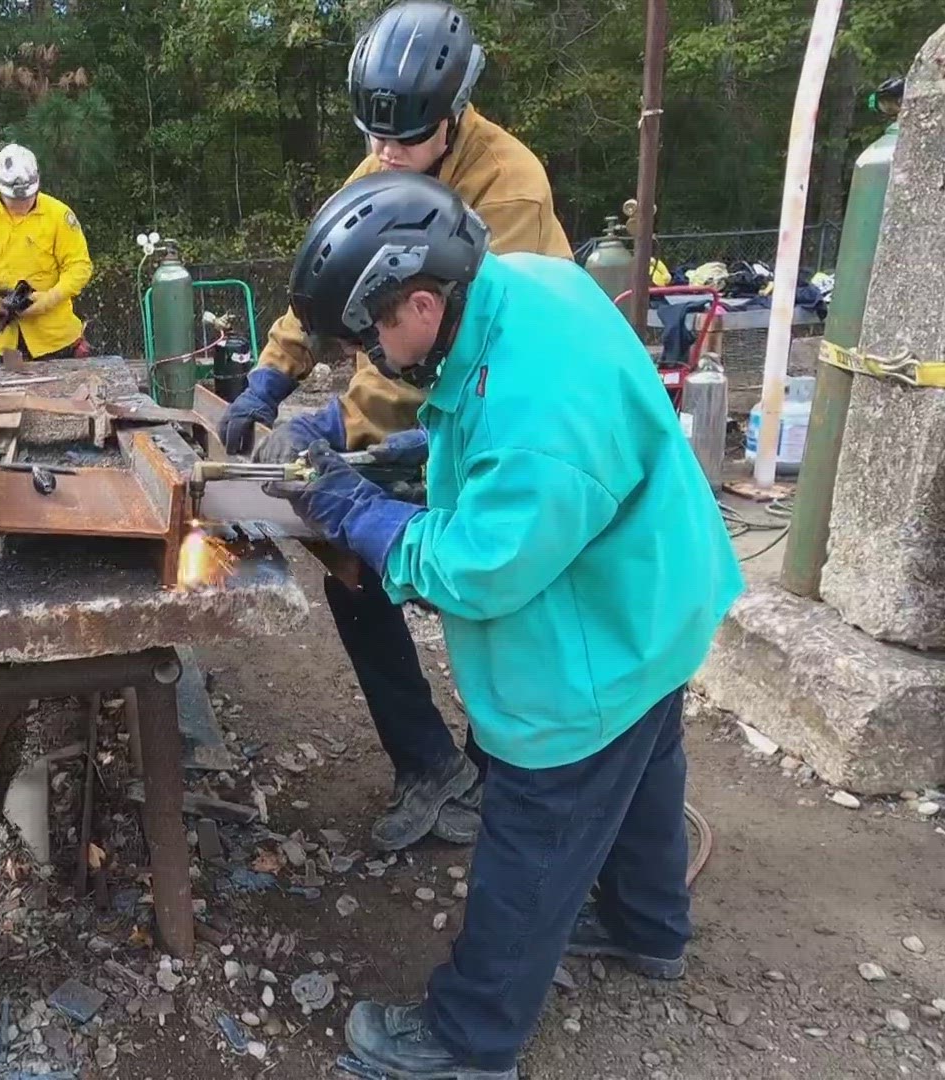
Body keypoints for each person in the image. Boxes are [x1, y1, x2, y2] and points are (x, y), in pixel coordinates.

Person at [270, 171, 741, 1079]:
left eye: (369, 334)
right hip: (659, 596)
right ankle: (649, 926)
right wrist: (411, 451)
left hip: (598, 637)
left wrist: (356, 511)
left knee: (537, 830)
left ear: (417, 299)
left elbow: (478, 568)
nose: (364, 355)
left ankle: (471, 1036)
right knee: (643, 763)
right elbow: (490, 424)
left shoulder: (535, 408)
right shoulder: (524, 282)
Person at [223, 0, 574, 853]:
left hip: (483, 413)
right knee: (345, 555)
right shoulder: (387, 152)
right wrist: (271, 385)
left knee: (491, 591)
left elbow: (486, 358)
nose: (385, 158)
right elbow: (328, 276)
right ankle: (427, 765)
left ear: (453, 113)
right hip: (387, 404)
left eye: (406, 142)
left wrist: (415, 451)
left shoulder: (511, 190)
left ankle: (498, 776)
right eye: (376, 140)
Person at [0, 144, 92, 363]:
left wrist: (49, 299)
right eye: (14, 200)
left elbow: (79, 267)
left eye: (27, 198)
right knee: (0, 396)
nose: (22, 204)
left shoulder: (59, 215)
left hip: (54, 338)